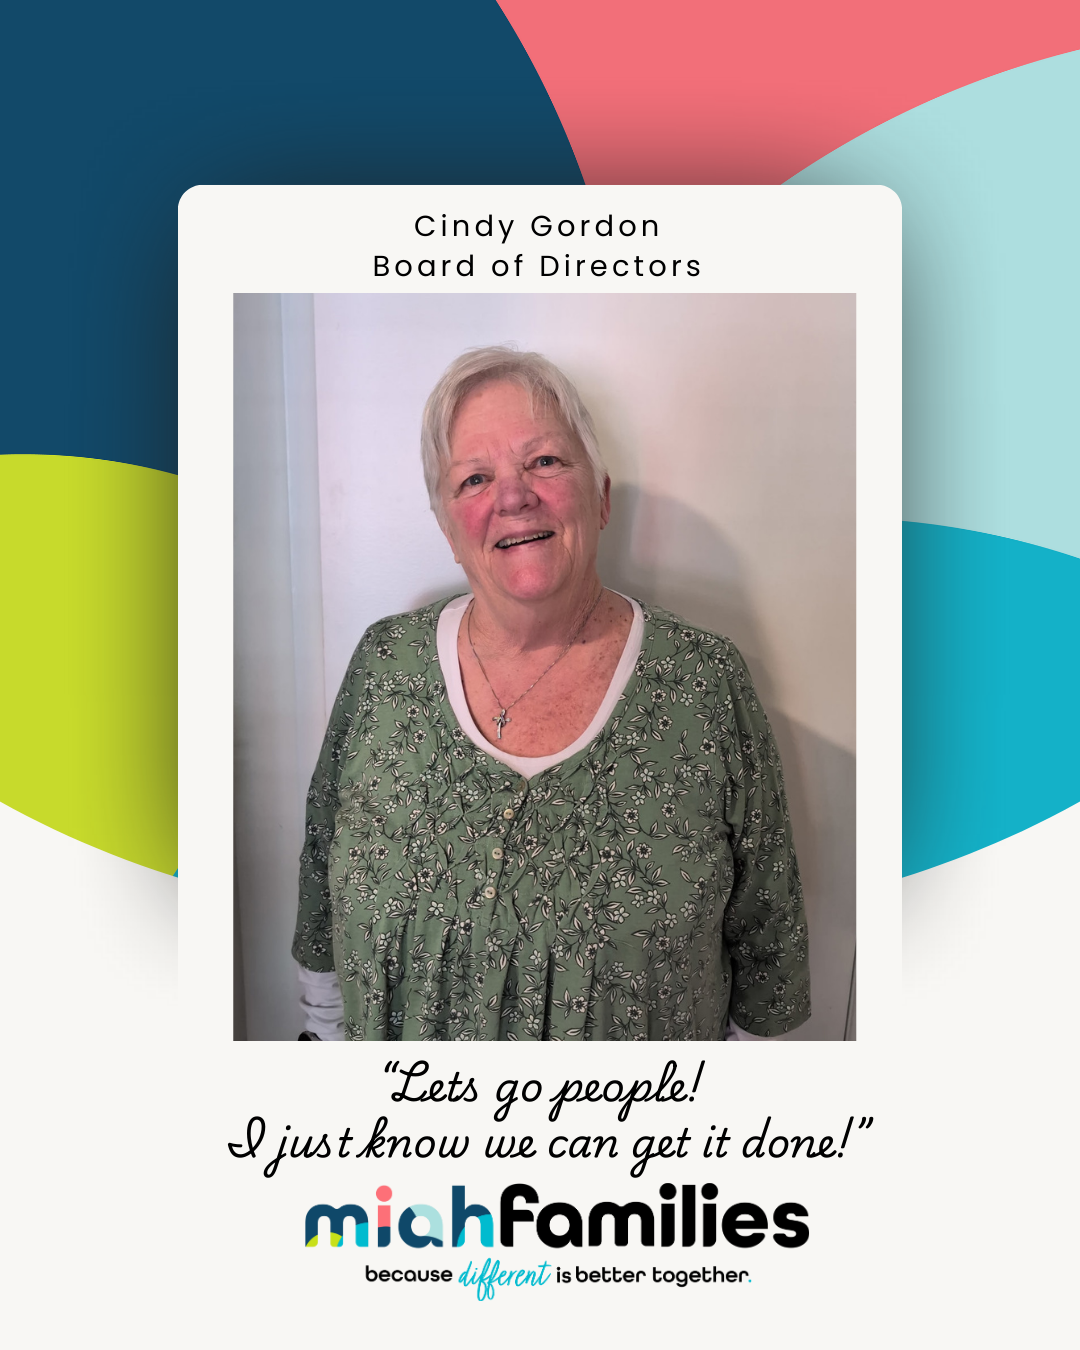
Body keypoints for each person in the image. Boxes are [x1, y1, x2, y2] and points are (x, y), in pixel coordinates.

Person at [292, 346, 810, 1041]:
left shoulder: (704, 685)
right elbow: (322, 894)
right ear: (449, 529)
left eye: (544, 461)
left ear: (598, 496)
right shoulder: (384, 668)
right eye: (475, 478)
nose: (513, 496)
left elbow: (768, 950)